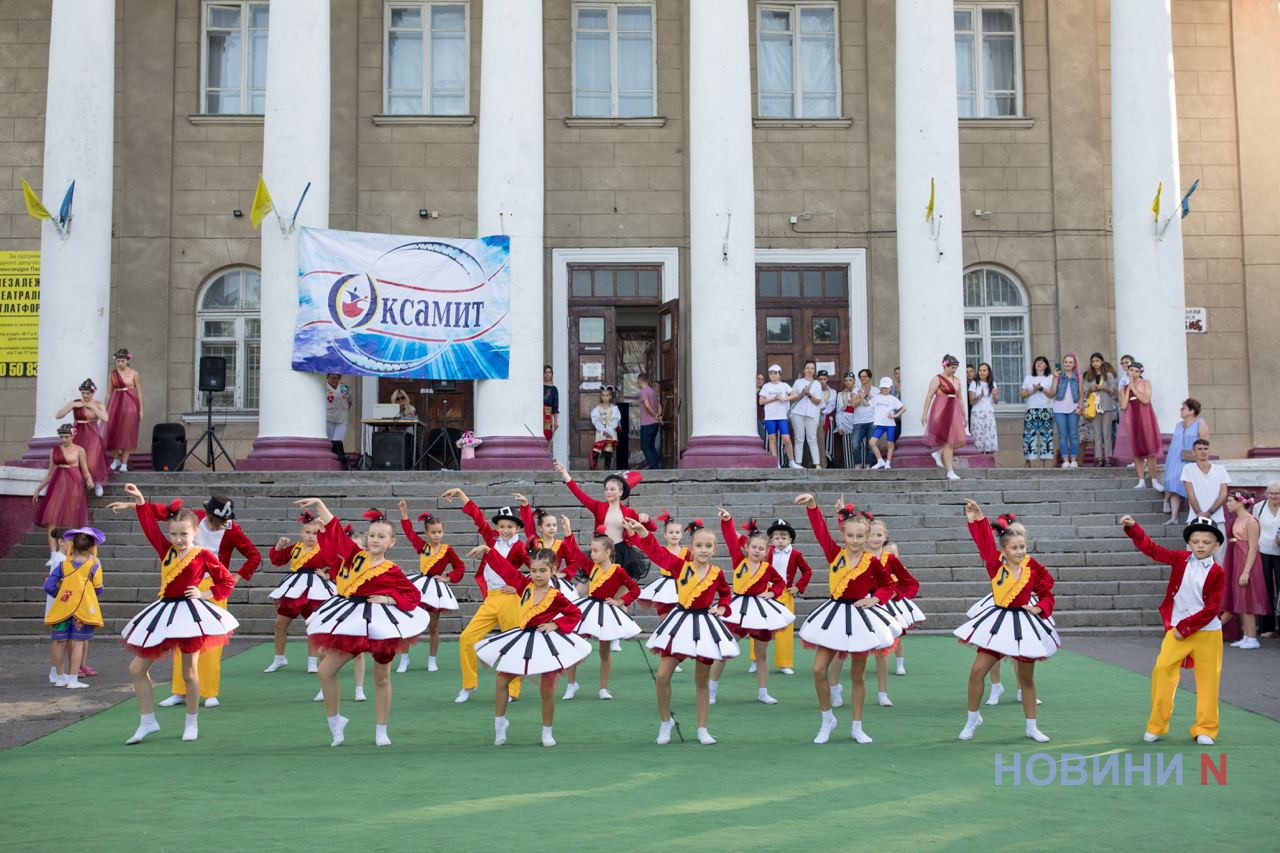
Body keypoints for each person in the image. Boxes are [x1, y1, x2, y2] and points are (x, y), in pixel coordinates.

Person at [108, 484, 238, 745]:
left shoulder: (202, 555)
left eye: (184, 534)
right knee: (136, 668)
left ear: (194, 532)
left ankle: (191, 721)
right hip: (163, 612)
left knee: (190, 673)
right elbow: (149, 528)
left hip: (189, 615)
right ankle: (148, 721)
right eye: (174, 534)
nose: (178, 539)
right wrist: (141, 501)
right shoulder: (165, 551)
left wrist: (205, 594)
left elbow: (226, 581)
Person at [299, 500, 428, 747]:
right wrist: (319, 505)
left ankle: (381, 729)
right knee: (325, 671)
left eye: (381, 536)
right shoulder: (355, 556)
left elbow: (413, 596)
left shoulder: (392, 570)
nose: (375, 540)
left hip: (381, 625)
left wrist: (389, 599)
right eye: (371, 535)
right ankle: (336, 723)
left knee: (381, 678)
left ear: (391, 542)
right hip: (351, 622)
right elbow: (335, 531)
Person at [793, 495, 900, 745]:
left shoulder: (872, 561)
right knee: (819, 669)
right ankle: (827, 718)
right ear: (844, 535)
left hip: (861, 617)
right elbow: (820, 531)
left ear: (866, 538)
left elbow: (888, 585)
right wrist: (812, 506)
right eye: (850, 536)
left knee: (857, 675)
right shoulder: (834, 553)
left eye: (860, 537)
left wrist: (875, 599)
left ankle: (857, 726)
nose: (854, 541)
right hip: (834, 615)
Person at [954, 500, 1058, 743]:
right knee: (977, 671)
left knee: (1026, 678)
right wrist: (978, 519)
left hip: (1024, 623)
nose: (1020, 551)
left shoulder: (1032, 568)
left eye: (1023, 546)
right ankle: (972, 719)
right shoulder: (994, 564)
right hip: (998, 622)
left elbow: (1048, 593)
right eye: (1014, 548)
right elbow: (984, 543)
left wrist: (1040, 607)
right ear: (1004, 550)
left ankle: (1032, 727)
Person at [628, 517, 737, 746]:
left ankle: (702, 728)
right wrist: (644, 534)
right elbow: (658, 554)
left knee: (701, 680)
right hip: (680, 623)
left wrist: (723, 606)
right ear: (691, 548)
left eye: (708, 546)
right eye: (699, 545)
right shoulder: (680, 566)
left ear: (714, 549)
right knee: (662, 676)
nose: (703, 550)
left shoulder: (716, 573)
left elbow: (726, 594)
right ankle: (665, 722)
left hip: (705, 625)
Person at [1121, 513, 1224, 745]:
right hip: (1177, 630)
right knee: (1162, 670)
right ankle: (1157, 725)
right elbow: (1151, 549)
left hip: (1207, 632)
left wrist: (1186, 627)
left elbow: (1212, 608)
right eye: (1196, 541)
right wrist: (1133, 528)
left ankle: (1205, 728)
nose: (1200, 546)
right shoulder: (1179, 559)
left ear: (1216, 545)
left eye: (1206, 542)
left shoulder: (1218, 572)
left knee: (1208, 680)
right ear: (1189, 542)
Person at [473, 545, 590, 748]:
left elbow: (575, 614)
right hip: (521, 639)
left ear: (553, 570)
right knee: (502, 680)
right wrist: (488, 551)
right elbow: (506, 569)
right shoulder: (523, 584)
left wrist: (556, 624)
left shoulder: (557, 596)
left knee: (547, 689)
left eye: (543, 571)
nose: (537, 575)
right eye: (534, 570)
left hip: (546, 642)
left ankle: (547, 731)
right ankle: (500, 723)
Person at [152, 495, 260, 709]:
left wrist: (237, 576)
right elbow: (170, 514)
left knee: (212, 640)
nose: (216, 524)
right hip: (188, 582)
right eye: (214, 519)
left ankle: (210, 691)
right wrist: (139, 505)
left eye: (221, 521)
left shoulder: (233, 531)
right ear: (207, 513)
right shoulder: (196, 518)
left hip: (213, 588)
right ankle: (179, 691)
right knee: (182, 637)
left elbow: (253, 555)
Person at [443, 488, 529, 704]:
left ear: (517, 528)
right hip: (491, 598)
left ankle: (513, 689)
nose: (505, 530)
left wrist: (519, 587)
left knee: (513, 643)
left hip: (510, 599)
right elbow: (478, 518)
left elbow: (537, 570)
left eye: (510, 526)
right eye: (501, 526)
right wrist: (462, 494)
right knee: (467, 638)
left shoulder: (520, 548)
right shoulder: (491, 539)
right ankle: (468, 684)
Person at [558, 517, 641, 700]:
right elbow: (575, 553)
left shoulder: (618, 571)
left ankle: (603, 688)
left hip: (606, 610)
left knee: (604, 651)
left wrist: (621, 601)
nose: (592, 554)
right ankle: (572, 684)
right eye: (592, 550)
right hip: (588, 608)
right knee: (573, 642)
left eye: (596, 551)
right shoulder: (591, 566)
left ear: (608, 552)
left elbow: (635, 589)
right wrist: (568, 532)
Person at [716, 511, 793, 705]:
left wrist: (773, 593)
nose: (757, 551)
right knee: (726, 650)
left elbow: (779, 582)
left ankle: (763, 691)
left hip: (759, 612)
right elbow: (730, 539)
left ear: (767, 552)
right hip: (738, 610)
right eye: (754, 547)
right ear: (747, 547)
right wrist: (728, 521)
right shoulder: (738, 560)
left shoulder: (767, 568)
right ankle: (711, 689)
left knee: (762, 654)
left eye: (761, 549)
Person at [265, 510, 338, 674]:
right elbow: (278, 560)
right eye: (308, 532)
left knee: (313, 625)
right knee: (280, 623)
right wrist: (279, 546)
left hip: (316, 589)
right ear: (301, 532)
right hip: (294, 588)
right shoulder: (295, 548)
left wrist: (328, 575)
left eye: (315, 533)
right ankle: (279, 658)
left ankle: (312, 662)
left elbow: (338, 564)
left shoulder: (324, 549)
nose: (311, 536)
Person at [396, 501, 465, 673]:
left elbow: (460, 567)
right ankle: (404, 659)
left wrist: (448, 577)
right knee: (409, 621)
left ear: (443, 532)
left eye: (440, 532)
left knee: (434, 626)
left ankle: (432, 660)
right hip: (419, 586)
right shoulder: (422, 546)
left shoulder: (447, 550)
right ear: (427, 533)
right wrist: (404, 513)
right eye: (433, 532)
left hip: (435, 589)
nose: (437, 535)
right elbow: (409, 533)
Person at [552, 462, 652, 580]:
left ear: (621, 492)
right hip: (601, 550)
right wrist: (564, 473)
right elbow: (579, 494)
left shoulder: (629, 512)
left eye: (612, 489)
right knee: (589, 586)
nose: (608, 492)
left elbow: (652, 528)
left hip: (621, 552)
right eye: (606, 489)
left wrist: (646, 518)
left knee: (618, 587)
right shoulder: (598, 507)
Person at [749, 517, 812, 676]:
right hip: (765, 591)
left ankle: (784, 662)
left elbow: (807, 571)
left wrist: (798, 586)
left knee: (785, 627)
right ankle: (756, 660)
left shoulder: (796, 554)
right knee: (758, 625)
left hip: (785, 592)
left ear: (790, 538)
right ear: (771, 539)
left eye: (784, 537)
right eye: (776, 537)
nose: (780, 541)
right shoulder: (766, 552)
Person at [43, 527, 105, 689]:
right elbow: (98, 589)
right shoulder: (93, 567)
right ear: (92, 547)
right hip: (82, 611)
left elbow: (49, 585)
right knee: (77, 642)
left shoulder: (63, 565)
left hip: (63, 609)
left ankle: (59, 677)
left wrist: (62, 594)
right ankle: (73, 679)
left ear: (73, 545)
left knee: (59, 642)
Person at [1222, 492, 1269, 650]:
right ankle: (1247, 635)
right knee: (1241, 599)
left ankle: (1252, 637)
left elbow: (1253, 547)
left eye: (1230, 501)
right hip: (1237, 559)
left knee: (1248, 598)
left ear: (1240, 502)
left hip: (1247, 561)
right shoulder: (1237, 520)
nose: (1227, 504)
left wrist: (1247, 571)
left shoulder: (1251, 521)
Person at [33, 425, 93, 543]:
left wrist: (89, 480)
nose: (63, 439)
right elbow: (50, 474)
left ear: (72, 436)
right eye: (61, 437)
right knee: (51, 516)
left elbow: (85, 471)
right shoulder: (54, 450)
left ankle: (66, 550)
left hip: (74, 485)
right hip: (57, 486)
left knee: (70, 519)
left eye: (66, 436)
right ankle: (54, 554)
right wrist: (38, 489)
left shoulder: (79, 450)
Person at [1118, 360, 1165, 489]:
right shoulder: (1124, 387)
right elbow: (1123, 405)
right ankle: (1141, 480)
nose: (1133, 373)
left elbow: (1146, 400)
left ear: (1140, 372)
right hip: (1131, 419)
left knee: (1150, 449)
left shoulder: (1146, 383)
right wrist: (1128, 388)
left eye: (1136, 371)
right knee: (1136, 450)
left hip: (1145, 418)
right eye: (1131, 370)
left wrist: (1135, 389)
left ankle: (1154, 480)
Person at [56, 379, 108, 496]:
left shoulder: (99, 404)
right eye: (83, 393)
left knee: (93, 460)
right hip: (78, 433)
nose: (85, 395)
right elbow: (58, 415)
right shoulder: (76, 403)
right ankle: (80, 484)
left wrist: (93, 407)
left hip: (93, 434)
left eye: (87, 393)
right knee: (77, 459)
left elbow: (105, 418)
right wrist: (73, 405)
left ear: (93, 392)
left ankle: (97, 482)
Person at [920, 355, 968, 481]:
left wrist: (965, 415)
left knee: (952, 440)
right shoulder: (937, 379)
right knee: (948, 441)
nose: (954, 370)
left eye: (956, 368)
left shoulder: (957, 380)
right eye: (952, 367)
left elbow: (961, 398)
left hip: (954, 411)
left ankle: (938, 453)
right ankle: (950, 471)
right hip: (941, 411)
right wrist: (925, 414)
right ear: (945, 365)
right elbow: (929, 396)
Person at [1162, 399, 1207, 523]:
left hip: (1190, 458)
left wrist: (1201, 459)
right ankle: (1173, 516)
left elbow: (1204, 442)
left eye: (1184, 408)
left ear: (1192, 411)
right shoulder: (1178, 425)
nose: (1181, 410)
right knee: (1172, 481)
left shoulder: (1200, 423)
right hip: (1174, 458)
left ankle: (1169, 503)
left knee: (1180, 483)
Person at [1180, 440, 1229, 540]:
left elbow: (1223, 494)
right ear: (1193, 452)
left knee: (1219, 553)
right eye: (1200, 449)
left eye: (1206, 449)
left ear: (1209, 451)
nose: (1203, 451)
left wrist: (1209, 513)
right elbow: (1190, 494)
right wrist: (1200, 514)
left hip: (1217, 518)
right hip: (1195, 518)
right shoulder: (1188, 468)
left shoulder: (1220, 469)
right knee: (1196, 553)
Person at [104, 348, 142, 472]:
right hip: (115, 404)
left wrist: (141, 409)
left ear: (127, 360)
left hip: (130, 405)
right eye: (118, 361)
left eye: (122, 361)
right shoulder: (112, 374)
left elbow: (139, 392)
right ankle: (115, 459)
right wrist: (105, 408)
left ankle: (124, 463)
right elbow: (108, 393)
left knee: (127, 434)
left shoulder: (134, 373)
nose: (120, 363)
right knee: (113, 432)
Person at [759, 364, 800, 469]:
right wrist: (774, 399)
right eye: (771, 373)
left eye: (775, 373)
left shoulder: (784, 385)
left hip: (782, 416)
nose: (773, 375)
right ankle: (775, 462)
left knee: (786, 439)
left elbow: (795, 395)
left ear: (779, 374)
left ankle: (791, 462)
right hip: (769, 417)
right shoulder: (766, 386)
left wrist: (784, 399)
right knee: (772, 439)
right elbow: (761, 401)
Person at [1080, 353, 1118, 466]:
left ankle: (1108, 457)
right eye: (1093, 361)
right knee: (1097, 434)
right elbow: (1085, 393)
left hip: (1106, 407)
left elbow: (1114, 391)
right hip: (1094, 408)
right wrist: (1091, 390)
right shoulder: (1089, 377)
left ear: (1102, 362)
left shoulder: (1109, 375)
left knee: (1106, 433)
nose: (1095, 363)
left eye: (1097, 360)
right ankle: (1098, 458)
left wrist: (1104, 387)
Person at [1253, 482, 1280, 637]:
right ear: (1266, 493)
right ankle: (1266, 627)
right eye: (1271, 493)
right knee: (1265, 588)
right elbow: (1255, 527)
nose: (1274, 496)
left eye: (1277, 493)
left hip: (1279, 551)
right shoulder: (1259, 507)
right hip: (1263, 551)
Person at [1020, 356, 1055, 467]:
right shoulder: (1028, 378)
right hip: (1031, 408)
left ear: (1046, 365)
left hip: (1046, 408)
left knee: (1046, 436)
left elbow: (1052, 394)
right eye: (1037, 362)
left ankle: (1043, 461)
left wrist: (1041, 389)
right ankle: (1028, 460)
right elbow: (1023, 394)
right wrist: (1033, 390)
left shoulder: (1050, 377)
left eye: (1042, 362)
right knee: (1029, 435)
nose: (1039, 364)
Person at [1050, 352, 1082, 468]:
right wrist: (1054, 378)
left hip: (1074, 408)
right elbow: (1052, 392)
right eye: (1066, 362)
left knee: (1073, 434)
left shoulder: (1077, 376)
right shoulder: (1059, 376)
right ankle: (1065, 460)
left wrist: (1080, 407)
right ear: (1063, 364)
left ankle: (1074, 459)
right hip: (1059, 409)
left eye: (1070, 362)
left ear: (1074, 364)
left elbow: (1081, 394)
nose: (1068, 364)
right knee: (1063, 435)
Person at [789, 360, 823, 468]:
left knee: (812, 439)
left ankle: (817, 464)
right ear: (804, 370)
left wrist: (808, 394)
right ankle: (798, 463)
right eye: (807, 368)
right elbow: (792, 399)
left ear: (814, 371)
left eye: (812, 368)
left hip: (811, 414)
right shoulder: (798, 382)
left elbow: (817, 401)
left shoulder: (817, 384)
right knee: (799, 438)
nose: (809, 370)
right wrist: (801, 394)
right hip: (797, 413)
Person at [868, 377, 905, 470]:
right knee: (872, 442)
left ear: (890, 388)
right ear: (881, 388)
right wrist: (863, 396)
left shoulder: (892, 399)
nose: (885, 389)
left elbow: (904, 408)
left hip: (890, 425)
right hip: (880, 425)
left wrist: (895, 415)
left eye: (887, 387)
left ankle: (888, 463)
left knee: (890, 444)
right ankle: (880, 461)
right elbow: (869, 403)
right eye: (883, 387)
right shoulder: (877, 397)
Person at [967, 362, 999, 454]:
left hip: (989, 413)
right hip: (977, 414)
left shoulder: (992, 384)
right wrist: (980, 395)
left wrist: (994, 395)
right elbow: (972, 402)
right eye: (980, 370)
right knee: (979, 440)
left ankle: (989, 463)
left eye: (984, 370)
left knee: (990, 439)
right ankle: (979, 463)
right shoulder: (974, 383)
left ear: (988, 372)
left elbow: (996, 402)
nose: (982, 372)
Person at [325, 373, 353, 470]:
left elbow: (350, 401)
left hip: (342, 418)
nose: (334, 380)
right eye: (332, 378)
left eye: (336, 378)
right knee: (329, 441)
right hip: (328, 418)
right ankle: (328, 462)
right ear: (328, 377)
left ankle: (338, 463)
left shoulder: (344, 387)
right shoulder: (324, 387)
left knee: (338, 441)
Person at [590, 386, 621, 470]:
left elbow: (616, 420)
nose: (605, 397)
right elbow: (595, 420)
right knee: (596, 449)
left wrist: (609, 430)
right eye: (603, 395)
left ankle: (606, 469)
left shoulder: (614, 408)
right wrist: (603, 430)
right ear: (601, 396)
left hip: (610, 431)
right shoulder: (597, 409)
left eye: (607, 395)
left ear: (610, 396)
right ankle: (592, 469)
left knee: (609, 448)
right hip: (601, 431)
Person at [637, 372, 662, 469]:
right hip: (655, 424)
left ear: (639, 381)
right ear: (647, 380)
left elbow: (647, 405)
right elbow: (659, 405)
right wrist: (658, 415)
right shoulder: (653, 391)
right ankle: (656, 464)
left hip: (647, 423)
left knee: (645, 447)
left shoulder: (643, 391)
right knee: (651, 446)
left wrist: (654, 415)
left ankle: (654, 467)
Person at [833, 372, 858, 468]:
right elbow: (839, 411)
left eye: (850, 380)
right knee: (848, 449)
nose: (848, 382)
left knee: (860, 448)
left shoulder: (860, 392)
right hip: (846, 423)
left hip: (859, 422)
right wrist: (839, 425)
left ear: (854, 381)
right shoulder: (840, 394)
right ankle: (850, 470)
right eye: (846, 380)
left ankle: (862, 471)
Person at [815, 369, 837, 468]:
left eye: (824, 379)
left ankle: (828, 461)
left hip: (828, 418)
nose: (822, 381)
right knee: (816, 441)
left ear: (827, 379)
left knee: (828, 441)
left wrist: (822, 411)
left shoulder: (832, 392)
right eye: (820, 379)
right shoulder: (815, 391)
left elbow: (831, 405)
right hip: (815, 418)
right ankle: (816, 462)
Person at [543, 364, 560, 443]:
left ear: (552, 374)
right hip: (539, 415)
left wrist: (555, 421)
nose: (547, 374)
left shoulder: (554, 389)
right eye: (545, 372)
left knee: (547, 436)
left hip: (548, 416)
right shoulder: (539, 386)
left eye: (549, 372)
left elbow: (555, 406)